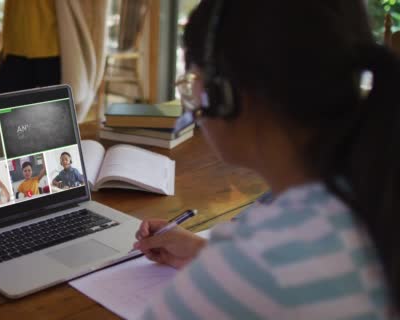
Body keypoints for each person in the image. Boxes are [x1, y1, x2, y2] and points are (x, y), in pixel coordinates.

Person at [133, 0, 398, 318]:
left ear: (226, 95)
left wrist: (228, 271)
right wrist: (205, 254)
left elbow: (273, 273)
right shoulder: (373, 192)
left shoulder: (258, 265)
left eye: (192, 82)